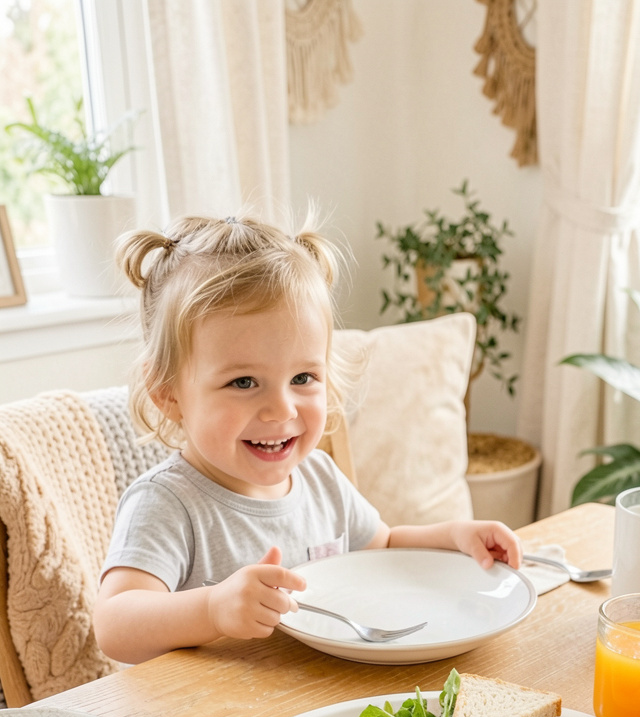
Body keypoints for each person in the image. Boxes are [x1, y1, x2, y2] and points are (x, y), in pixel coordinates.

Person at [94, 214, 522, 665]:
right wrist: (212, 608)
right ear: (168, 393)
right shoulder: (167, 503)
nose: (282, 410)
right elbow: (115, 625)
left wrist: (453, 537)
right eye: (243, 382)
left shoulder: (318, 476)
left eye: (302, 377)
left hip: (312, 709)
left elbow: (383, 547)